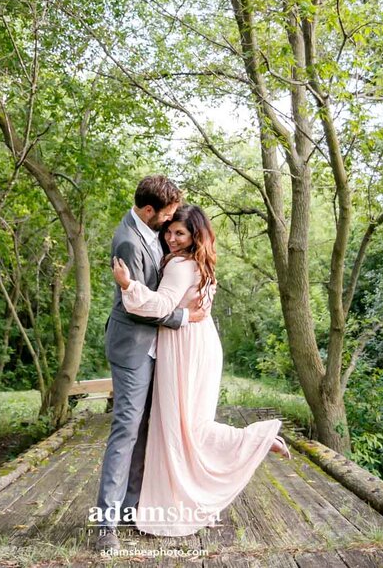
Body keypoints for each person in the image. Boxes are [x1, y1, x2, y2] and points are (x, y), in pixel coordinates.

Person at [111, 204, 290, 538]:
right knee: (188, 425)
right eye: (169, 232)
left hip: (185, 347)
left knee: (184, 427)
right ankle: (190, 496)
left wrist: (128, 286)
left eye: (180, 233)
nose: (171, 238)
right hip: (201, 343)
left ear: (195, 235)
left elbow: (161, 306)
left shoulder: (180, 264)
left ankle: (256, 440)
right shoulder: (202, 263)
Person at [94, 177, 207, 552]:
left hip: (157, 347)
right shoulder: (128, 239)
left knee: (147, 426)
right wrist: (182, 318)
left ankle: (132, 508)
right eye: (169, 215)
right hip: (133, 346)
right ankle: (105, 525)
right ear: (149, 211)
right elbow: (136, 305)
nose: (172, 223)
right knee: (126, 429)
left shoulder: (152, 233)